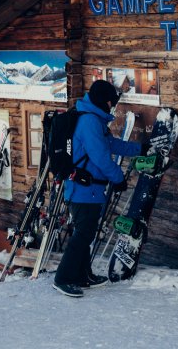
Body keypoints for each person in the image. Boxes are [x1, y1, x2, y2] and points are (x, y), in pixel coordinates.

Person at [53, 80, 142, 298]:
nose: (113, 106)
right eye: (112, 101)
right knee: (83, 234)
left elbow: (110, 145)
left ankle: (83, 275)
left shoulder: (92, 119)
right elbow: (101, 157)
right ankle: (63, 278)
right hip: (83, 188)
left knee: (87, 232)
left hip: (88, 188)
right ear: (106, 101)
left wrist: (140, 148)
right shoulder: (90, 122)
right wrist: (118, 178)